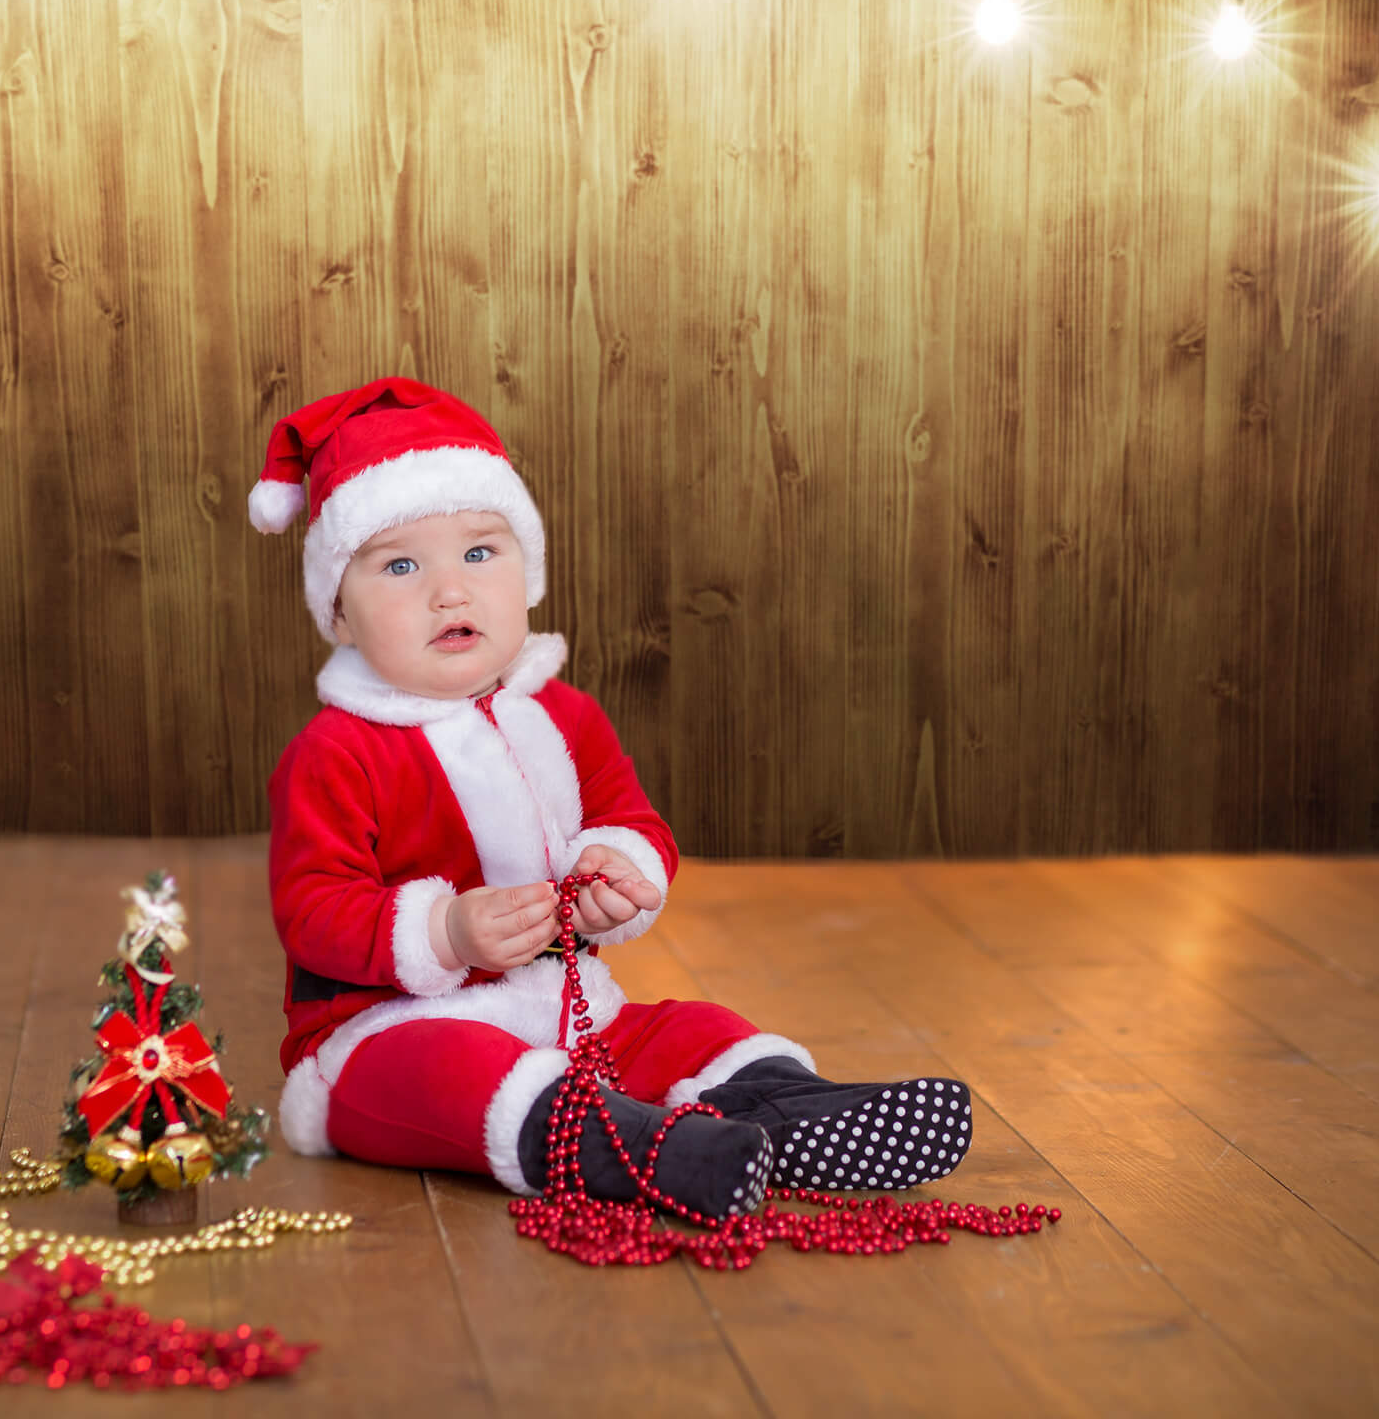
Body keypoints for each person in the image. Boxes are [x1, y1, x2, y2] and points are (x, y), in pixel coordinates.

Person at [250, 378, 970, 1219]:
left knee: (691, 1028)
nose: (451, 591)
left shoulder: (562, 717)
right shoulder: (336, 751)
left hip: (568, 1011)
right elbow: (313, 909)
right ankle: (628, 1146)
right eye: (402, 565)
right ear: (340, 613)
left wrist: (617, 871)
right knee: (446, 1075)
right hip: (383, 1030)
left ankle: (787, 1111)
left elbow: (634, 822)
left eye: (481, 553)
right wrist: (442, 930)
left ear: (528, 575)